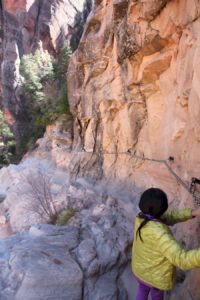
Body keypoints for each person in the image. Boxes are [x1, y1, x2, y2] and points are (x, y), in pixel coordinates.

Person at [131, 187, 200, 300]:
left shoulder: (140, 218)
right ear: (163, 210)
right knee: (156, 295)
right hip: (156, 279)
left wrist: (193, 213)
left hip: (139, 270)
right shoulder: (160, 234)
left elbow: (170, 216)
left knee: (142, 290)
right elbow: (182, 259)